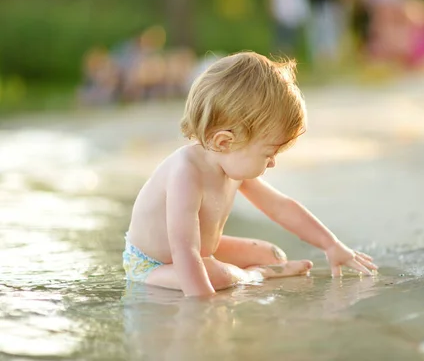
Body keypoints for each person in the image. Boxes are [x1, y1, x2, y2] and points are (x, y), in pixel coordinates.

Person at [122, 51, 378, 297]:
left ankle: (263, 269)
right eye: (268, 154)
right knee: (218, 276)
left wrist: (330, 244)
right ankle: (255, 276)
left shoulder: (230, 165)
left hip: (199, 251)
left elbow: (280, 207)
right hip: (152, 266)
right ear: (224, 142)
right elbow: (184, 251)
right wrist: (202, 310)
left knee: (273, 255)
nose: (273, 163)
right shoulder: (185, 173)